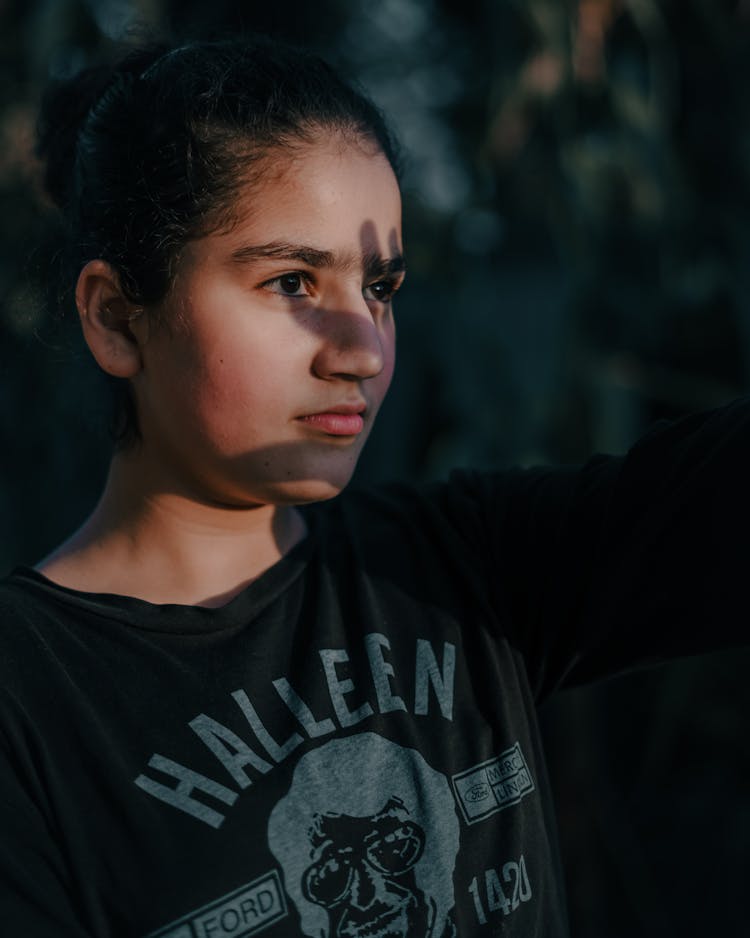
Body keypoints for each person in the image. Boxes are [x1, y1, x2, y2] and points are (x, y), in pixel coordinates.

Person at [0, 34, 746, 938]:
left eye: (381, 285)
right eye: (291, 279)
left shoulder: (463, 571)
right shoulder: (30, 705)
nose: (362, 348)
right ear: (118, 319)